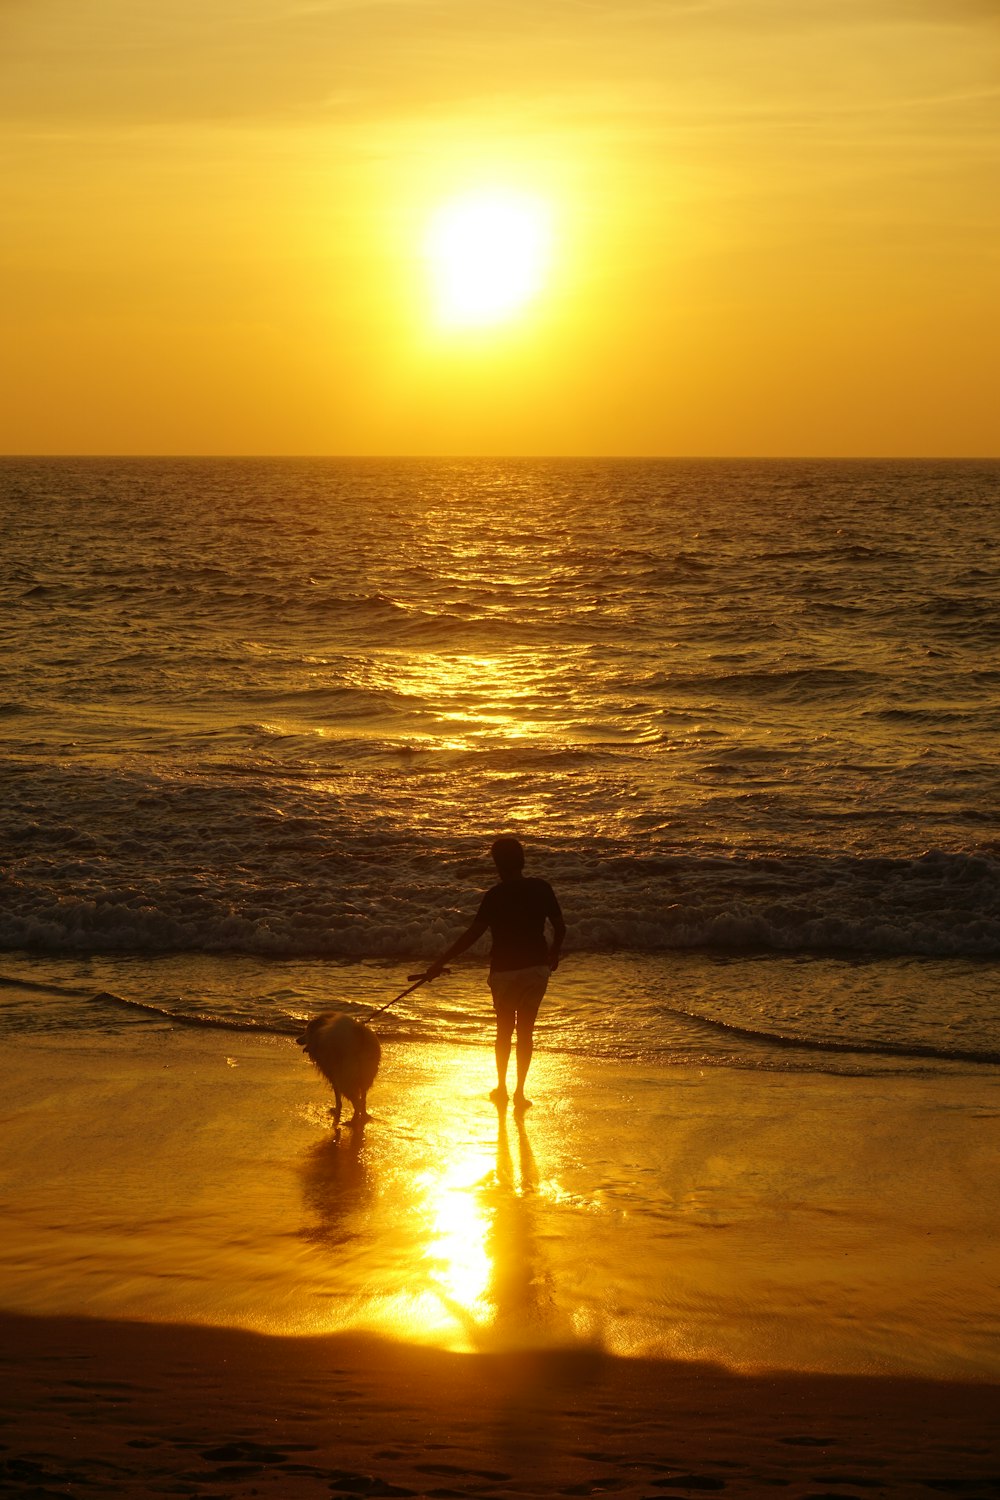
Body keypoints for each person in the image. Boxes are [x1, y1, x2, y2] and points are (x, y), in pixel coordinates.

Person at [420, 836, 565, 1110]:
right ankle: (520, 1093)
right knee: (525, 1031)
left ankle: (501, 1087)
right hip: (536, 970)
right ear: (522, 861)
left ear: (497, 865)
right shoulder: (541, 888)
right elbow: (560, 927)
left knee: (504, 1030)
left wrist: (440, 962)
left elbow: (472, 935)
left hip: (505, 972)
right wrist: (554, 952)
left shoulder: (495, 896)